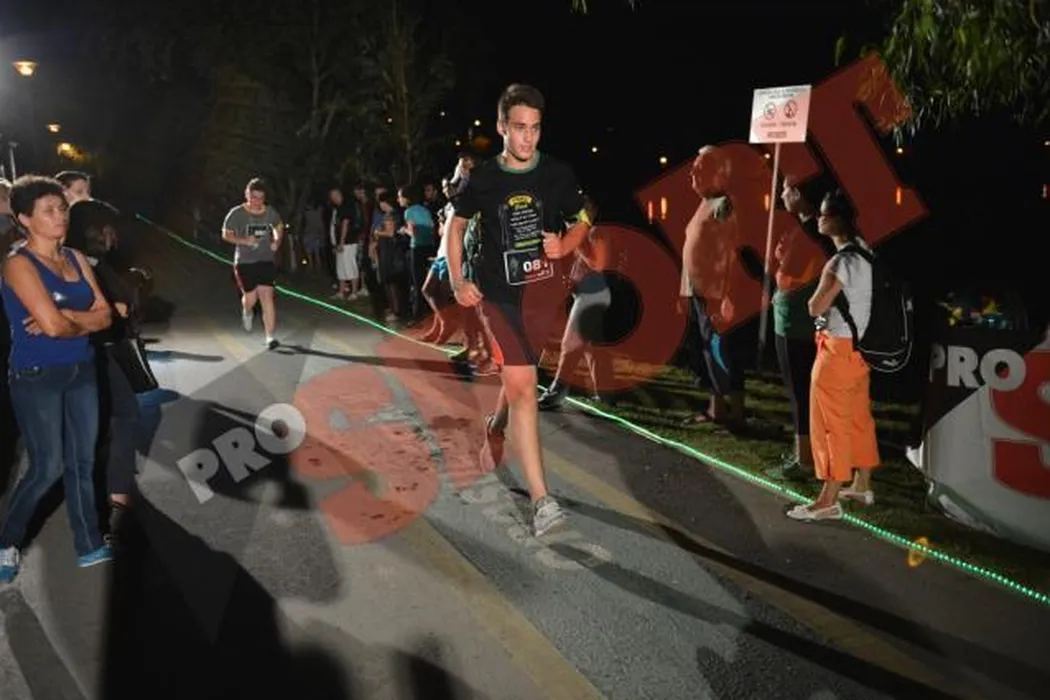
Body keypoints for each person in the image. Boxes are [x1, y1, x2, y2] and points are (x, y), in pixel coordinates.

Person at [445, 84, 593, 536]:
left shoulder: (557, 174)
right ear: (502, 127)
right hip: (498, 296)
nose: (528, 137)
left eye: (535, 128)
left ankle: (495, 426)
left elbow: (583, 217)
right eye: (519, 128)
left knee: (520, 374)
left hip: (541, 296)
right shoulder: (484, 178)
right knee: (526, 385)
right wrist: (458, 280)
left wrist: (565, 243)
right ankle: (543, 503)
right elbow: (456, 226)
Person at [0, 175, 115, 583]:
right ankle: (7, 542)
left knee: (82, 461)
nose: (60, 215)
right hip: (37, 375)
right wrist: (72, 321)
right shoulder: (18, 264)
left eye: (62, 208)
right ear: (24, 219)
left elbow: (106, 315)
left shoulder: (76, 258)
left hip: (82, 368)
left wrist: (67, 317)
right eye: (48, 210)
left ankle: (89, 542)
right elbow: (51, 327)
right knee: (46, 466)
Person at [787, 189, 880, 521]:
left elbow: (816, 306)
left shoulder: (840, 263)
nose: (819, 218)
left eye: (824, 214)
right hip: (859, 350)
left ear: (837, 220)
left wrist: (815, 301)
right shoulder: (865, 252)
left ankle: (827, 500)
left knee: (830, 426)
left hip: (835, 351)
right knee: (858, 418)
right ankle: (862, 485)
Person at [60, 178, 142, 546]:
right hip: (88, 355)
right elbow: (112, 311)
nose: (115, 235)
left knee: (114, 419)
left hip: (93, 353)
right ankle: (106, 507)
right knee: (108, 424)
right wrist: (120, 305)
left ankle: (114, 496)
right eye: (109, 228)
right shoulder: (80, 264)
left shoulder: (84, 260)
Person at [538, 193, 614, 408]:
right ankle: (606, 395)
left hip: (593, 295)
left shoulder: (596, 232)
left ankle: (556, 393)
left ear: (592, 211)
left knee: (570, 345)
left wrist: (577, 242)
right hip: (585, 293)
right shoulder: (583, 232)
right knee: (593, 347)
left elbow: (599, 265)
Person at [222, 178, 284, 349]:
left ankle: (270, 337)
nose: (257, 201)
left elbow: (279, 227)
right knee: (251, 298)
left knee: (267, 296)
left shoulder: (270, 212)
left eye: (261, 198)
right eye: (254, 197)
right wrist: (244, 241)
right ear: (247, 195)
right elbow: (226, 234)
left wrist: (276, 242)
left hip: (266, 261)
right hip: (245, 262)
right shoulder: (237, 213)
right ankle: (247, 311)